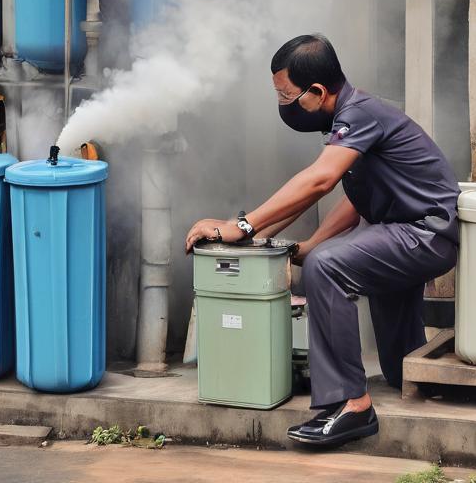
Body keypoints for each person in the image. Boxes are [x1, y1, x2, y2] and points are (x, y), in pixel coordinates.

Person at [185, 34, 459, 449]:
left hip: (424, 233)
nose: (283, 106)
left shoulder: (360, 114)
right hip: (402, 231)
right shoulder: (351, 118)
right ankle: (424, 380)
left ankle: (353, 405)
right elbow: (354, 197)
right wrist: (302, 242)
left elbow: (318, 182)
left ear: (317, 91)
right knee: (402, 370)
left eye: (287, 96)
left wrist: (242, 227)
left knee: (327, 268)